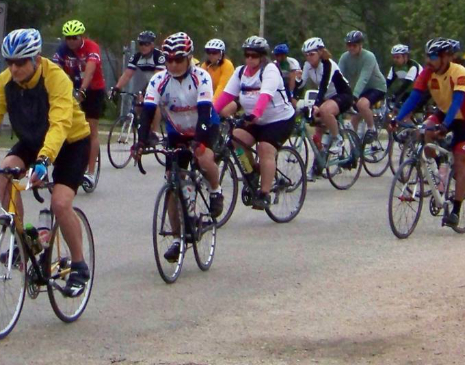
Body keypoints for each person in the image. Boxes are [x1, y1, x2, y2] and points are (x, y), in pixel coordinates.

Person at [0, 28, 92, 296]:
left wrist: (45, 159)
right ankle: (25, 240)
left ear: (36, 59)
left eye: (20, 62)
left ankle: (78, 265)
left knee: (60, 203)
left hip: (70, 142)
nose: (14, 69)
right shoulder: (5, 82)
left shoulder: (56, 78)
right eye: (9, 62)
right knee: (6, 172)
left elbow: (61, 122)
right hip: (33, 141)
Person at [136, 32, 222, 261]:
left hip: (204, 125)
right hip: (177, 131)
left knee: (204, 159)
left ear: (189, 58)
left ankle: (215, 191)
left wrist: (199, 141)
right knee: (173, 183)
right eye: (168, 59)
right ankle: (177, 238)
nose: (172, 64)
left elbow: (205, 112)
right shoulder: (158, 80)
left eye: (178, 59)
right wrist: (141, 141)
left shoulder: (201, 77)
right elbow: (147, 114)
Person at [390, 38, 465, 228]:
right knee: (424, 132)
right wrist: (397, 119)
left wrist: (446, 126)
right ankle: (441, 172)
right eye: (427, 56)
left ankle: (455, 210)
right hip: (444, 112)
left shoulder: (459, 71)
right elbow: (415, 97)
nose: (428, 60)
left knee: (461, 161)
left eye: (432, 56)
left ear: (445, 57)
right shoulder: (428, 72)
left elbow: (457, 101)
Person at [213, 36, 296, 210]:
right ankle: (252, 172)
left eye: (254, 55)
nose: (250, 58)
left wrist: (256, 114)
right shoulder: (241, 72)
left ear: (262, 56)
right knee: (235, 138)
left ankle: (264, 193)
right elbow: (227, 95)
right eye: (247, 55)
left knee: (265, 148)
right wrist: (211, 113)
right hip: (254, 120)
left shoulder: (270, 70)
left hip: (278, 120)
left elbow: (265, 95)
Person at [54, 20, 106, 188]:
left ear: (82, 36)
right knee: (65, 126)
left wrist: (83, 89)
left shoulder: (91, 47)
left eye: (74, 38)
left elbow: (90, 70)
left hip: (93, 90)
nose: (71, 41)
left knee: (91, 130)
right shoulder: (63, 49)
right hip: (72, 89)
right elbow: (55, 69)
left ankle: (90, 173)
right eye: (68, 38)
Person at [300, 37, 355, 173]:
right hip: (327, 97)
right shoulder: (307, 66)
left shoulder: (328, 64)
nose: (309, 58)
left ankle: (338, 139)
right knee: (317, 130)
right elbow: (300, 84)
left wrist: (317, 105)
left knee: (324, 111)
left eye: (312, 54)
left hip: (343, 95)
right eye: (306, 55)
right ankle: (318, 165)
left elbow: (323, 86)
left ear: (320, 52)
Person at [343, 31, 387, 142]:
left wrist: (354, 96)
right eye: (349, 45)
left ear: (360, 45)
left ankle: (372, 129)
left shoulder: (369, 57)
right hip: (361, 90)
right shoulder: (344, 57)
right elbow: (337, 76)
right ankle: (355, 151)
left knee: (362, 104)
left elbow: (364, 78)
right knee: (354, 119)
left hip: (376, 87)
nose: (351, 48)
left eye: (354, 45)